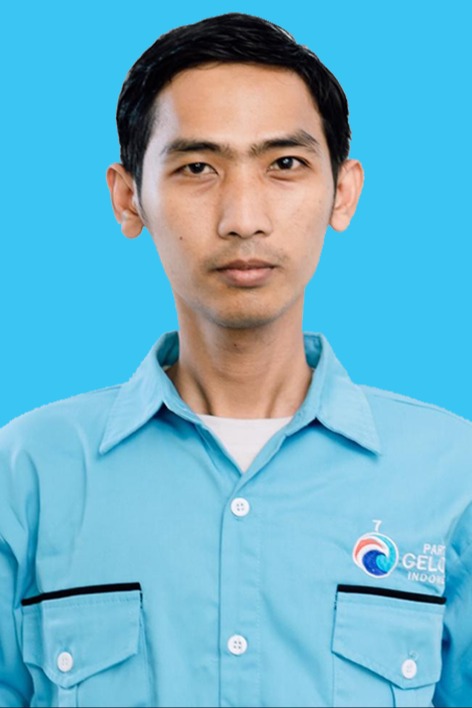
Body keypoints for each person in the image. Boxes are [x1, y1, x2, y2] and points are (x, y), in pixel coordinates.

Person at [0, 12, 471, 708]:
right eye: (197, 167)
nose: (243, 218)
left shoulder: (452, 474)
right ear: (129, 199)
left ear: (342, 192)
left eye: (285, 164)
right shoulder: (27, 473)